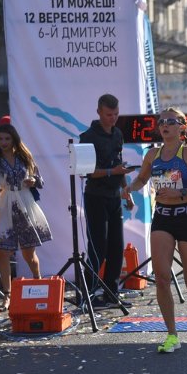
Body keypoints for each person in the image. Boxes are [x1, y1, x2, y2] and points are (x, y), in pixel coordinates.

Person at [124, 108, 187, 353]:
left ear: (182, 127)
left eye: (170, 122)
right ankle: (172, 335)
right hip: (162, 218)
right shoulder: (152, 154)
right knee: (162, 277)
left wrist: (180, 192)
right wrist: (130, 188)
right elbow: (142, 179)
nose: (164, 125)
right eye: (161, 122)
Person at [0, 124, 52, 312]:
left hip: (25, 203)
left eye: (7, 138)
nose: (3, 142)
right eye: (0, 139)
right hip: (5, 205)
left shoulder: (25, 158)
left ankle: (38, 283)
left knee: (30, 254)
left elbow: (40, 180)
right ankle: (7, 295)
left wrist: (33, 181)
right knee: (3, 252)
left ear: (14, 139)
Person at [79, 94, 134, 307]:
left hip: (113, 196)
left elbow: (120, 164)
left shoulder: (118, 134)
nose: (113, 118)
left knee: (116, 248)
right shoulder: (88, 137)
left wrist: (126, 191)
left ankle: (112, 293)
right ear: (99, 112)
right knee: (97, 248)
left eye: (116, 114)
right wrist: (113, 171)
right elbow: (88, 172)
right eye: (109, 114)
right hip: (95, 196)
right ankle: (88, 294)